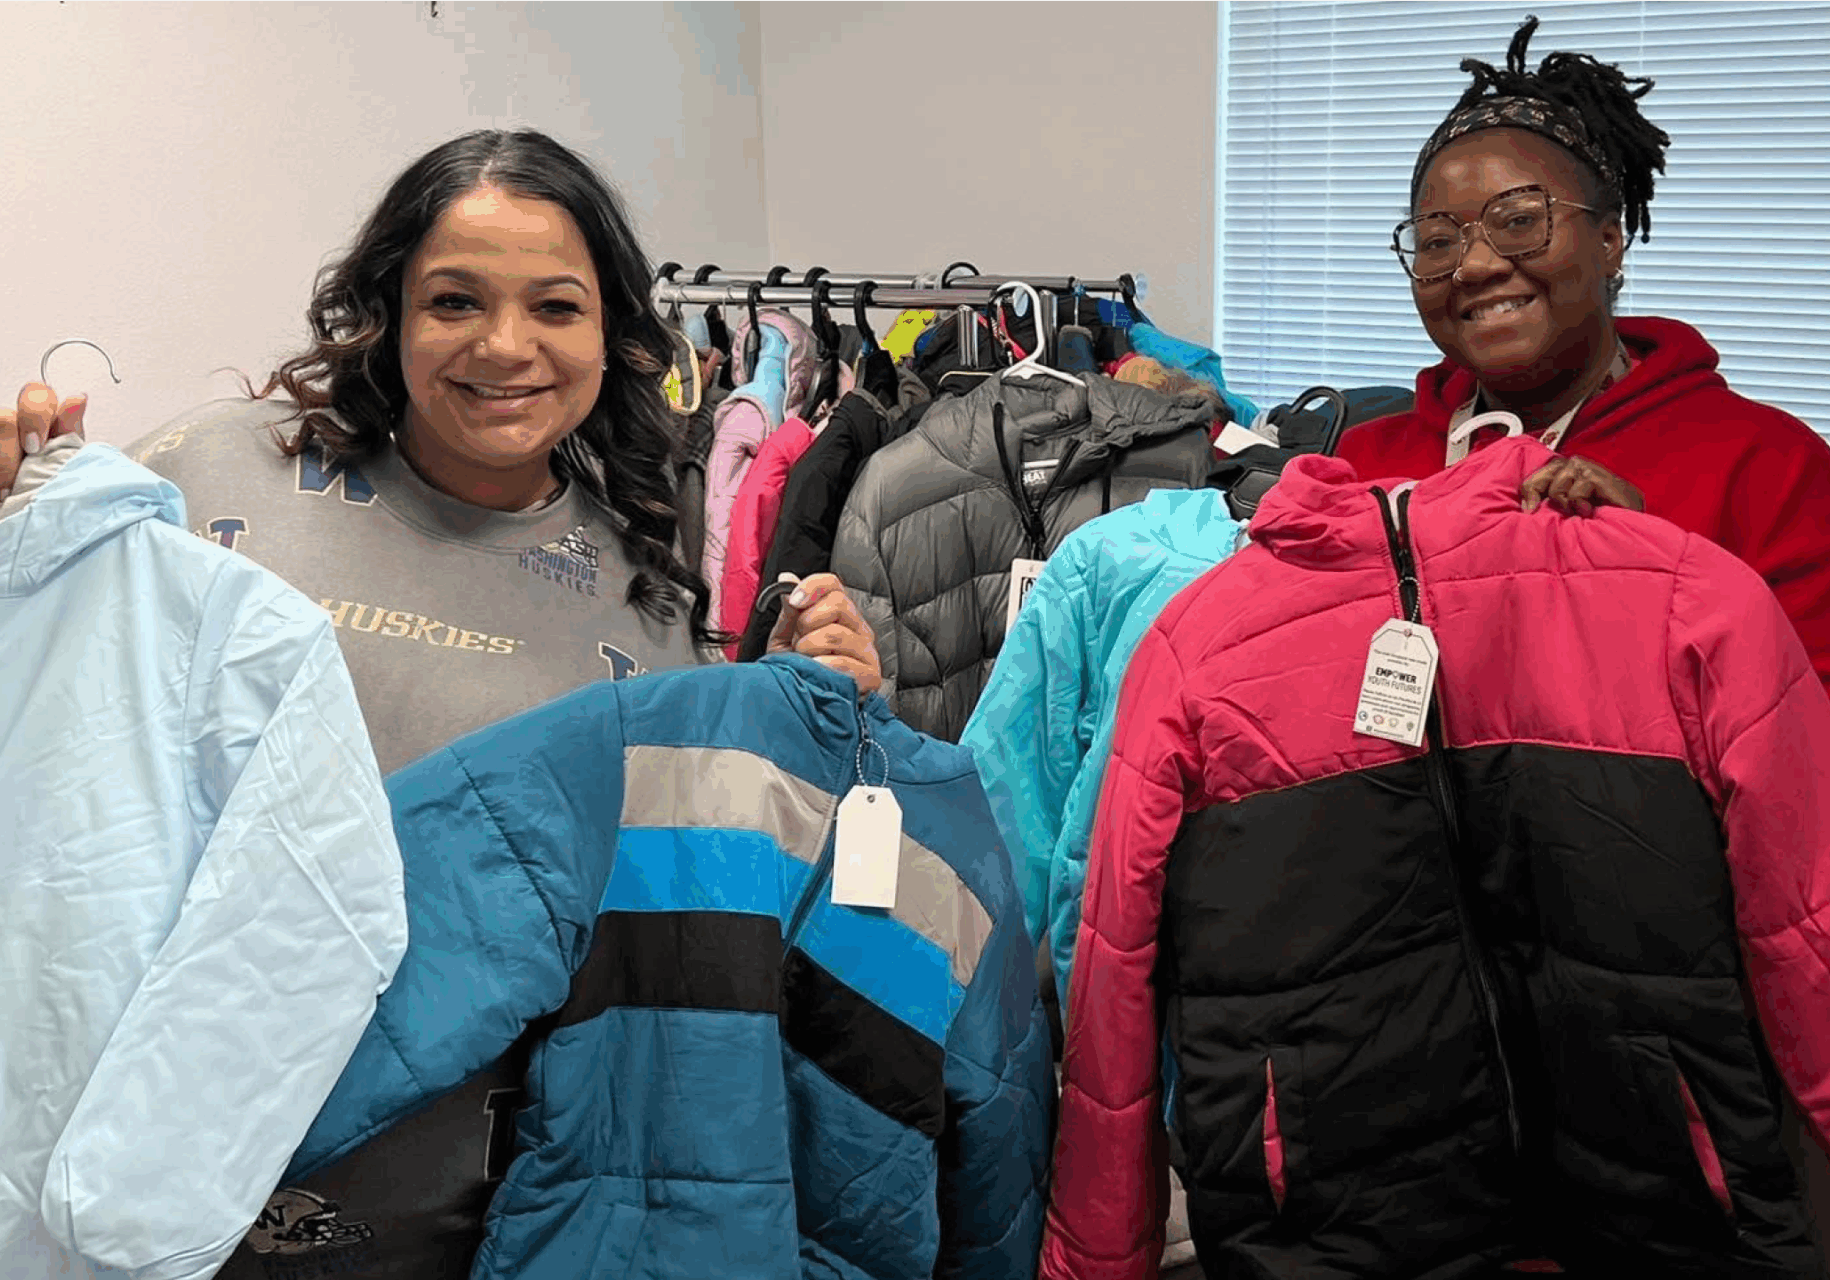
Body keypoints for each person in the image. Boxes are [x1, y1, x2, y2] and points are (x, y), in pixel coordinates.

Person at [1, 128, 882, 1279]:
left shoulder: (646, 581)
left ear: (612, 334)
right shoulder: (206, 476)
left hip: (468, 1211)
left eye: (555, 308)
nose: (504, 347)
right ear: (390, 313)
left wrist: (826, 703)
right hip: (149, 1178)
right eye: (455, 300)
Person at [1335, 16, 1830, 698]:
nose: (1474, 266)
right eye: (1437, 241)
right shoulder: (1358, 473)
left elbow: (1805, 748)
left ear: (1607, 242)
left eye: (1518, 220)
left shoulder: (1769, 469)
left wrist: (1656, 576)